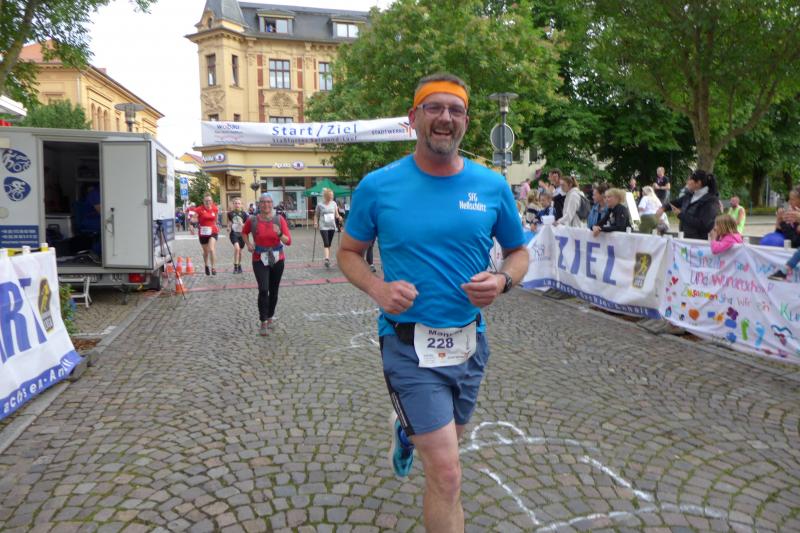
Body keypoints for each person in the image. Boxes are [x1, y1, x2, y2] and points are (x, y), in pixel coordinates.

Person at [337, 73, 528, 532]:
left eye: (455, 110)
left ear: (466, 122)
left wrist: (502, 280)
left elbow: (519, 253)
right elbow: (348, 252)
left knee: (447, 449)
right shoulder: (379, 186)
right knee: (447, 474)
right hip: (407, 345)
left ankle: (406, 433)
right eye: (434, 108)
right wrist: (378, 289)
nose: (445, 118)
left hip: (469, 344)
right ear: (414, 117)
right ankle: (413, 430)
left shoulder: (491, 186)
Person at [242, 193, 292, 335]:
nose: (266, 204)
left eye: (269, 202)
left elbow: (288, 241)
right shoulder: (252, 220)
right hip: (259, 258)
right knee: (264, 289)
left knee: (274, 291)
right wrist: (248, 244)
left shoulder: (279, 219)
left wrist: (279, 233)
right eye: (263, 202)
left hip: (277, 258)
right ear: (259, 204)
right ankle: (263, 321)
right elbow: (244, 233)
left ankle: (270, 316)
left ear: (272, 204)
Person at [656, 170, 720, 240]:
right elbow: (675, 202)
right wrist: (663, 208)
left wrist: (681, 215)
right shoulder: (690, 195)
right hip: (684, 238)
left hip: (699, 241)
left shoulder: (711, 200)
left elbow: (704, 225)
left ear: (698, 183)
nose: (687, 182)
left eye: (689, 180)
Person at [314, 188, 343, 268]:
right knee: (326, 243)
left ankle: (328, 258)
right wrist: (316, 223)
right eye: (331, 195)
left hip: (332, 226)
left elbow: (336, 214)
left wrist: (339, 217)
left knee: (329, 243)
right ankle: (326, 259)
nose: (332, 197)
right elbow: (316, 215)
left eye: (332, 195)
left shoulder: (334, 204)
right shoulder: (320, 205)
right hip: (323, 226)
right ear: (327, 196)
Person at [194, 194, 220, 275]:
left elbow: (216, 219)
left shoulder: (215, 208)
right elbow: (194, 218)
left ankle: (213, 268)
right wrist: (193, 222)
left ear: (212, 201)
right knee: (206, 252)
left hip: (213, 231)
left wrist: (216, 225)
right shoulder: (199, 209)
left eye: (209, 200)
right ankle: (206, 265)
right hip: (203, 233)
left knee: (211, 249)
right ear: (203, 201)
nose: (208, 202)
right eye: (206, 201)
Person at [228, 197, 249, 274]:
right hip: (234, 234)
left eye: (238, 203)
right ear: (233, 204)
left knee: (239, 251)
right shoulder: (230, 213)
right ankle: (235, 267)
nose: (237, 205)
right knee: (237, 248)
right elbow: (230, 222)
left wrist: (242, 224)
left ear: (241, 205)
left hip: (242, 235)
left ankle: (239, 265)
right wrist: (228, 227)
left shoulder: (244, 214)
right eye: (235, 203)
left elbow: (247, 226)